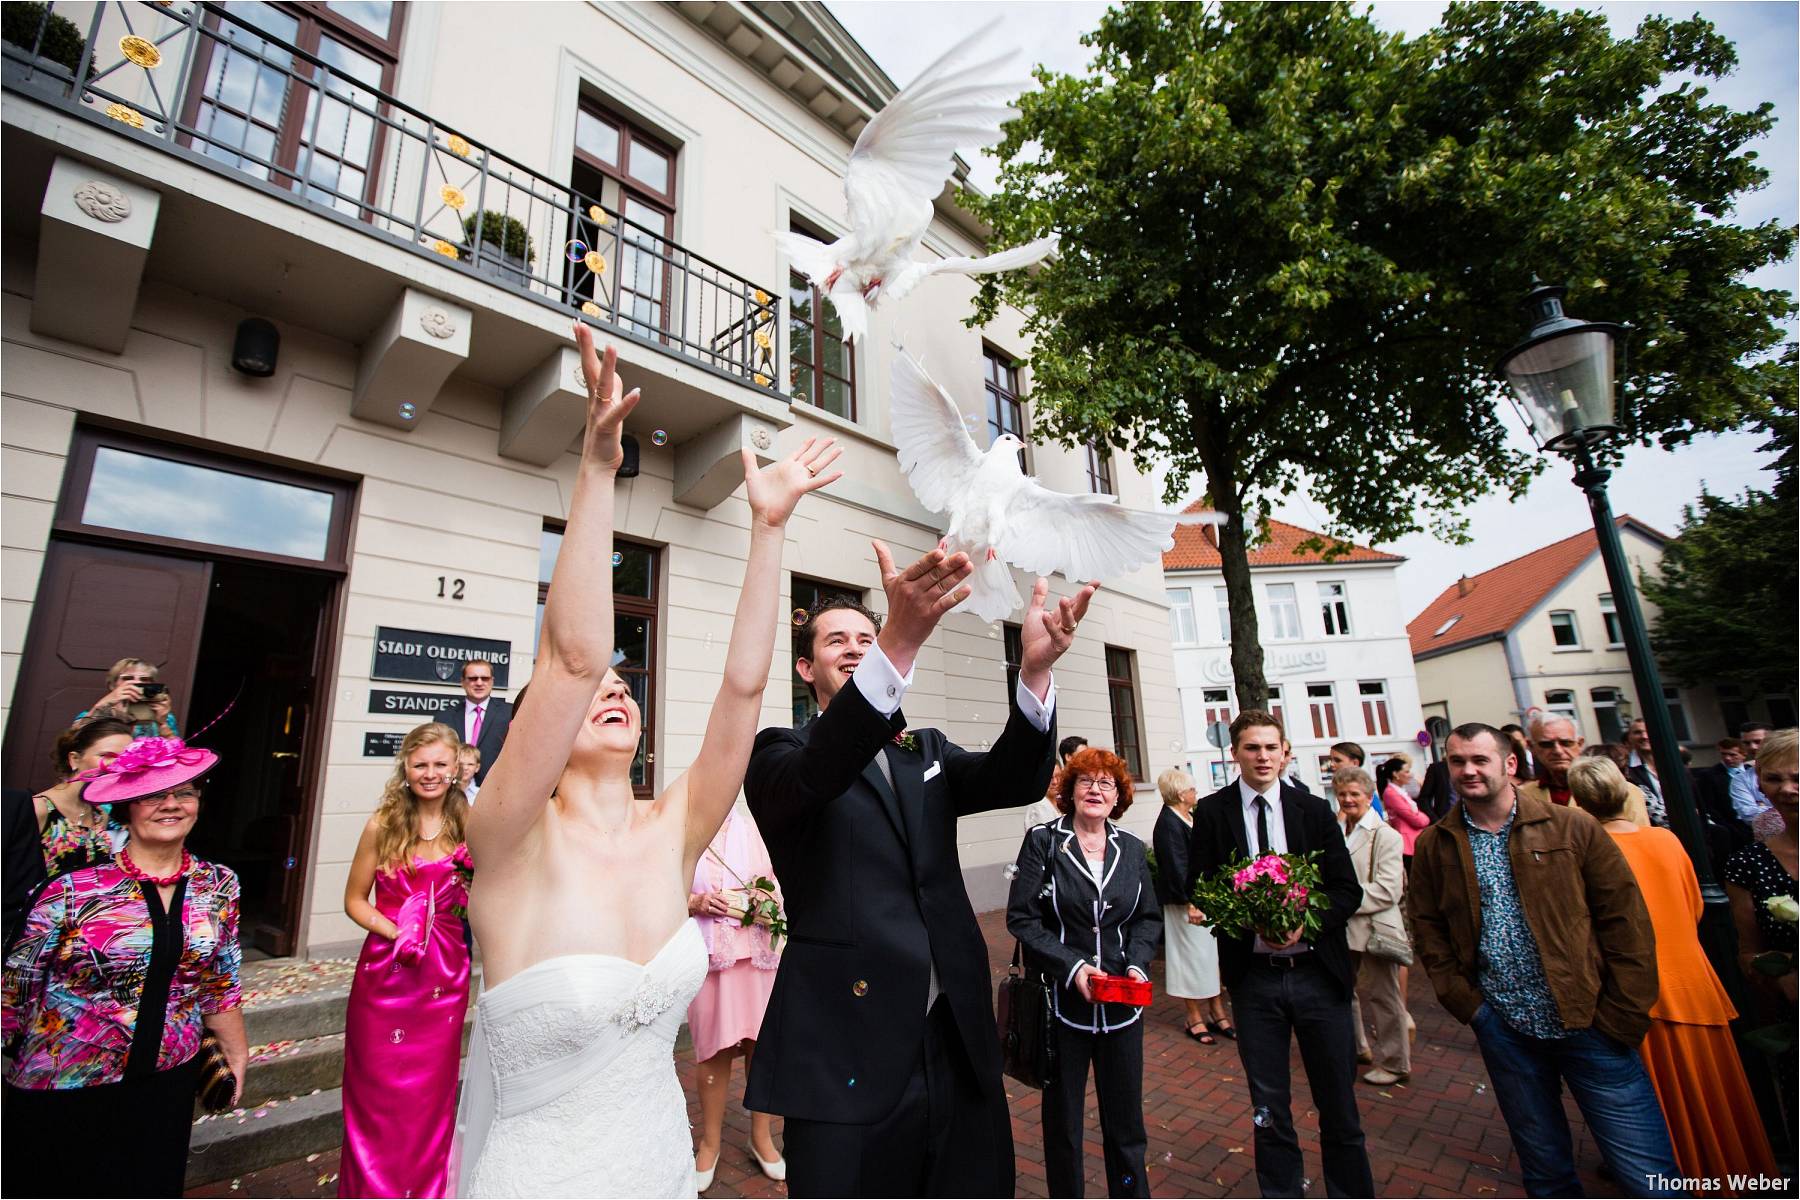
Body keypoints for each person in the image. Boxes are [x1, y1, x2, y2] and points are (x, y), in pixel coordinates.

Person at [455, 329, 840, 1197]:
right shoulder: (507, 838)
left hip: (658, 1162)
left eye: (626, 685)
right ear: (537, 737)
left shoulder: (673, 829)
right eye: (596, 692)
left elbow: (743, 694)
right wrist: (596, 467)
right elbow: (573, 659)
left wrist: (769, 530)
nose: (611, 689)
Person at [746, 567, 1090, 1197]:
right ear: (805, 670)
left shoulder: (925, 749)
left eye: (865, 638)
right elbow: (823, 770)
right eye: (836, 641)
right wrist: (894, 645)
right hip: (847, 1041)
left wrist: (1035, 674)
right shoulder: (779, 753)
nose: (854, 648)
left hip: (953, 1031)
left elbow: (1010, 779)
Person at [1407, 722, 1677, 1198]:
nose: (1468, 771)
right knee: (1546, 1171)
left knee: (1647, 1175)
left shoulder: (1571, 826)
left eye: (1480, 760)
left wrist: (1621, 1014)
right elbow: (1428, 927)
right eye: (1457, 761)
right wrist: (1468, 1005)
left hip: (1590, 1020)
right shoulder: (1437, 842)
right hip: (1504, 1025)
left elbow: (1625, 922)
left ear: (1510, 764)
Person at [2, 736, 246, 1196]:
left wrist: (236, 1055)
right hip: (65, 1079)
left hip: (168, 1079)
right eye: (153, 794)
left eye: (184, 793)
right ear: (127, 806)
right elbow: (16, 985)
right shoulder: (73, 889)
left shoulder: (219, 885)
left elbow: (220, 981)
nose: (170, 804)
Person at [1186, 710, 1373, 1198]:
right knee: (1268, 1105)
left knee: (1338, 1103)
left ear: (1285, 751)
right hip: (1256, 980)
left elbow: (1345, 891)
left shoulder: (1313, 811)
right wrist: (1240, 915)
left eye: (1271, 747)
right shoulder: (1212, 812)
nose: (1262, 757)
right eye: (1252, 748)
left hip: (1318, 975)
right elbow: (1200, 887)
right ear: (1235, 754)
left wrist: (1304, 918)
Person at [1568, 757, 1778, 1188]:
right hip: (1692, 980)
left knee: (1664, 1098)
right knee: (1716, 1091)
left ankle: (1683, 1177)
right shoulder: (1665, 840)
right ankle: (1738, 1172)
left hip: (1638, 990)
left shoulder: (1586, 853)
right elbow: (1695, 906)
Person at [1009, 747, 1161, 1198]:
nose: (1096, 789)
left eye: (1106, 783)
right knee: (1064, 1125)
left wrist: (1135, 964)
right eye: (1086, 781)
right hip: (1061, 1007)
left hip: (1122, 1008)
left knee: (1127, 1127)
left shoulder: (1131, 849)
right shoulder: (1044, 842)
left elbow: (1147, 918)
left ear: (1118, 797)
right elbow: (1022, 919)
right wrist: (1071, 966)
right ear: (1070, 791)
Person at [339, 721, 472, 1199]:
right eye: (420, 765)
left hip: (445, 974)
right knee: (376, 1094)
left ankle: (428, 1189)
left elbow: (487, 893)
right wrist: (396, 930)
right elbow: (355, 900)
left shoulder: (470, 825)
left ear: (456, 767)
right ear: (406, 768)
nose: (430, 773)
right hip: (386, 974)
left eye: (439, 764)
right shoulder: (382, 824)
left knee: (429, 1095)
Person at [687, 803, 785, 1191]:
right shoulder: (687, 832)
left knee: (762, 1047)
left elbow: (776, 881)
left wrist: (766, 900)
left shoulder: (754, 830)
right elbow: (659, 889)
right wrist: (695, 903)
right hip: (711, 959)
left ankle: (760, 1136)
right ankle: (710, 1143)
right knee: (713, 1050)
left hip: (758, 959)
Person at [1333, 768, 1410, 1088]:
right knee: (1342, 992)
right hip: (1343, 928)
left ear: (1369, 795)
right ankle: (1357, 1047)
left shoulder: (1385, 835)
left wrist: (1341, 900)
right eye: (1342, 794)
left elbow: (1389, 889)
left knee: (1385, 996)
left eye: (1355, 794)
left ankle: (1396, 1062)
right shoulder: (1336, 830)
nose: (1348, 800)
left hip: (1375, 928)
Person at [1152, 767, 1229, 1043]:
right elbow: (1176, 867)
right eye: (1192, 789)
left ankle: (1217, 1010)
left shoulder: (1188, 816)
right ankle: (1194, 1016)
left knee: (1209, 958)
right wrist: (1190, 903)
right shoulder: (1168, 824)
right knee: (1189, 959)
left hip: (1201, 900)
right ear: (1180, 794)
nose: (1196, 793)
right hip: (1185, 904)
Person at [30, 718, 136, 884]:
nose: (116, 765)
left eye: (124, 759)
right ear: (74, 759)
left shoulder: (100, 815)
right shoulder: (39, 808)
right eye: (106, 755)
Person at [1523, 714, 1651, 827]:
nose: (1558, 751)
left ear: (1579, 743)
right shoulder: (1523, 796)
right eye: (1546, 744)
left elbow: (1640, 840)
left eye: (1566, 743)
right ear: (1531, 747)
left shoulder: (1622, 790)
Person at [444, 660, 511, 786]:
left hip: (495, 789)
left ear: (492, 681)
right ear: (463, 682)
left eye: (485, 678)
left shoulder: (509, 713)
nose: (479, 683)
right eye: (473, 678)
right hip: (453, 791)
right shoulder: (445, 718)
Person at [80, 657, 180, 739]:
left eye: (144, 679)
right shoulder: (94, 714)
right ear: (113, 685)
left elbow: (177, 755)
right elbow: (73, 742)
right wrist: (101, 705)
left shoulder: (166, 717)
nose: (137, 683)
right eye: (128, 678)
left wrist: (162, 724)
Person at [1023, 735, 1087, 831]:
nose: (1055, 782)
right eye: (1083, 755)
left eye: (1058, 777)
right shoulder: (1038, 806)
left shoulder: (1067, 792)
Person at [1378, 753, 1429, 870]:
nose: (1410, 775)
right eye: (1406, 771)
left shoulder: (1399, 791)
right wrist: (1424, 818)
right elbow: (1414, 818)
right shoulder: (1391, 793)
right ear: (1395, 774)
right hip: (1407, 843)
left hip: (1413, 840)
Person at [1623, 719, 1671, 827]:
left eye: (1648, 731)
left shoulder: (1674, 764)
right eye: (1637, 732)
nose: (1644, 736)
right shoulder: (1626, 771)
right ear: (1629, 738)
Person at [1329, 742, 1381, 816]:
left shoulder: (1361, 787)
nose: (1331, 764)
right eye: (1331, 760)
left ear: (1355, 763)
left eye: (1338, 760)